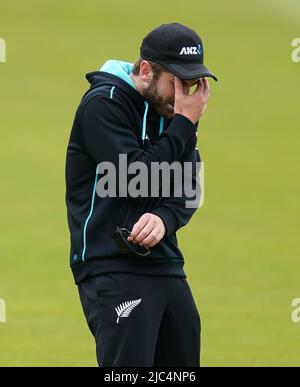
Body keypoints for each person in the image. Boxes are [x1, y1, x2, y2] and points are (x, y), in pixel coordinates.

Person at [65, 22, 217, 367]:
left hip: (166, 264)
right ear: (146, 70)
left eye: (192, 84)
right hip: (111, 265)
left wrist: (164, 218)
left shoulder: (172, 116)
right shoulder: (103, 105)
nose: (185, 95)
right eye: (177, 82)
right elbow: (134, 175)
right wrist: (184, 124)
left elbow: (190, 185)